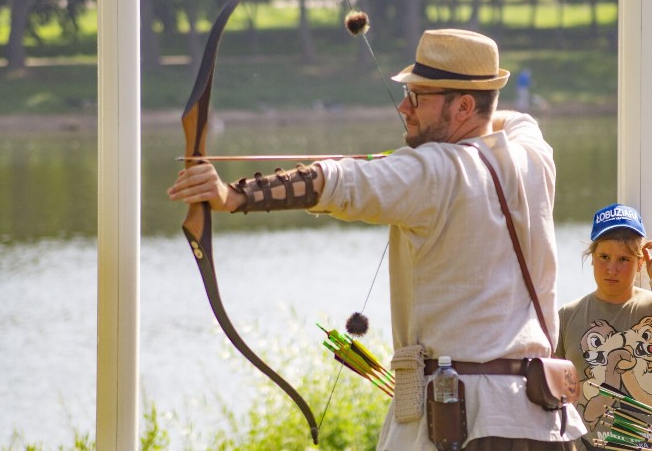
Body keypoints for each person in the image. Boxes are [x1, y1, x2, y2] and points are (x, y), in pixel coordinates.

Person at [168, 29, 585, 450]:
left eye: (419, 97)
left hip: (467, 426)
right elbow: (507, 119)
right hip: (543, 424)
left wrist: (230, 195)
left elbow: (335, 180)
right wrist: (447, 126)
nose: (404, 107)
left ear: (462, 106)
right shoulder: (533, 155)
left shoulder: (431, 172)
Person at [555, 203, 652, 450]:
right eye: (604, 257)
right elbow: (556, 395)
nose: (612, 269)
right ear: (591, 258)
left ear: (641, 263)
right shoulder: (568, 315)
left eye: (624, 259)